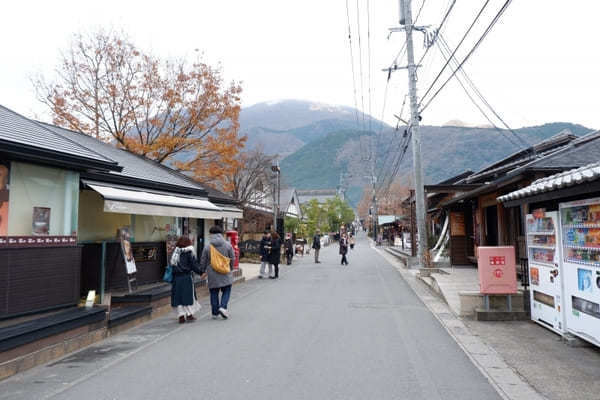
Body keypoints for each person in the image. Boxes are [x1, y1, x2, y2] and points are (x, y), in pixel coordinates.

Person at [199, 225, 235, 319]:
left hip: (212, 273)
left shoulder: (207, 246)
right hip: (225, 271)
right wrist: (230, 268)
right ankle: (223, 307)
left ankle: (215, 313)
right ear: (221, 234)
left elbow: (203, 260)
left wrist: (202, 270)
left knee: (214, 292)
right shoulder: (228, 245)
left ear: (211, 234)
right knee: (226, 290)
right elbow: (232, 258)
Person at [170, 236, 203, 324]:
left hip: (176, 278)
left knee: (178, 297)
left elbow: (172, 265)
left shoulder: (175, 252)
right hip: (186, 277)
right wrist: (201, 272)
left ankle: (181, 316)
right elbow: (193, 265)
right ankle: (189, 315)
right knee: (188, 296)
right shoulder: (189, 252)